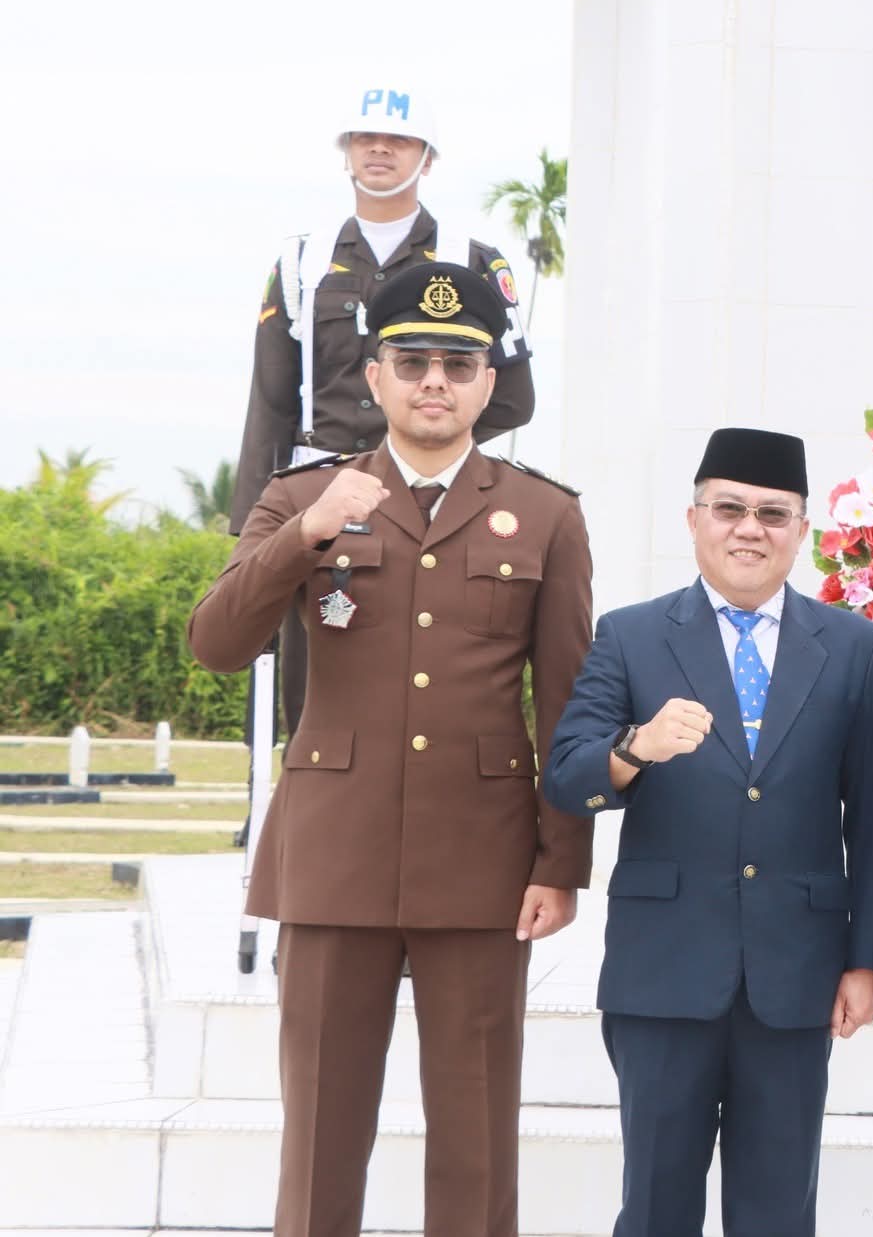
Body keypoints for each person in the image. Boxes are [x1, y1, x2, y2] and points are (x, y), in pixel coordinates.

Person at [188, 262, 594, 1237]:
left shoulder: (545, 514)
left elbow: (566, 702)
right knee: (320, 1135)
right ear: (374, 376)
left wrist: (561, 862)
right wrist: (305, 535)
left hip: (483, 859)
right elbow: (216, 643)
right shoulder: (304, 494)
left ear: (488, 383)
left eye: (457, 363)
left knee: (477, 1137)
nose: (433, 381)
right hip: (336, 853)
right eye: (411, 361)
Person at [542, 426, 873, 1237]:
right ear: (694, 519)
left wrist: (868, 959)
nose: (750, 528)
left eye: (773, 513)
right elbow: (566, 775)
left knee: (778, 1210)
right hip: (663, 969)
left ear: (801, 529)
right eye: (729, 508)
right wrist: (634, 747)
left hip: (795, 974)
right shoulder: (632, 634)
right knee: (655, 1205)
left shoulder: (852, 647)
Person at [231, 85, 537, 736]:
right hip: (322, 493)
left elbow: (514, 397)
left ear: (428, 158)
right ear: (345, 152)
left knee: (436, 657)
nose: (379, 149)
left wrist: (422, 449)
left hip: (435, 495)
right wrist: (256, 526)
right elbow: (271, 401)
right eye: (364, 138)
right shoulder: (300, 261)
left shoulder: (474, 259)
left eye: (398, 139)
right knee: (314, 673)